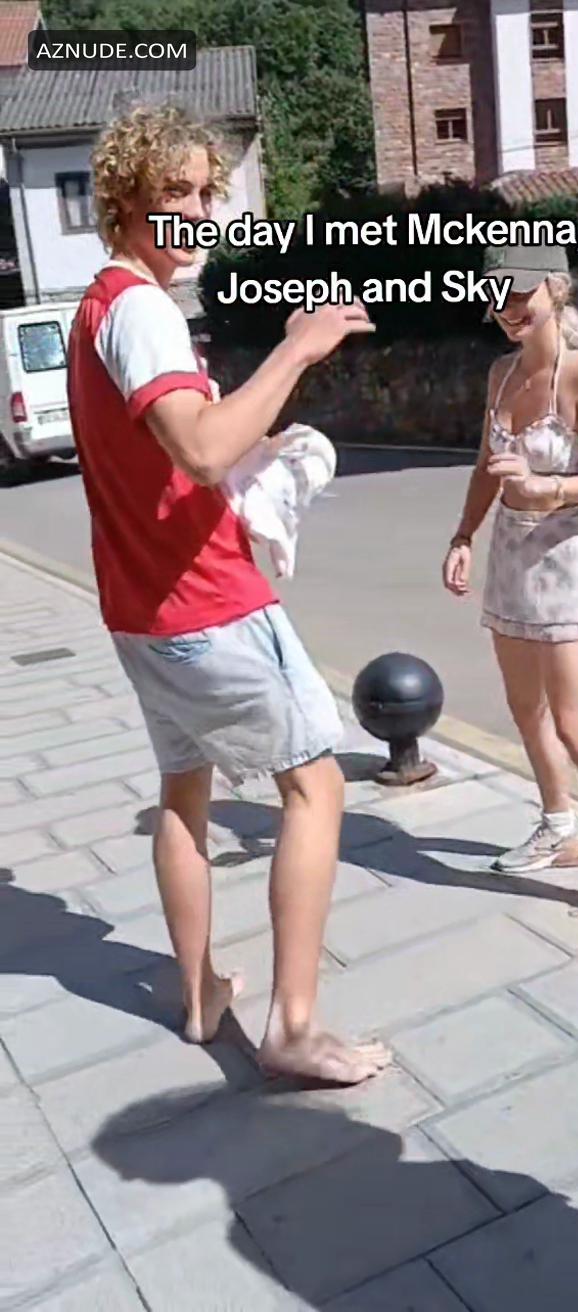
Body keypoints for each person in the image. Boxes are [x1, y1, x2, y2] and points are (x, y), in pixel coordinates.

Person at [67, 101, 391, 1085]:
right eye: (179, 190)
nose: (201, 211)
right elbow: (201, 452)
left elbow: (179, 450)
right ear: (127, 197)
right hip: (208, 606)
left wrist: (269, 438)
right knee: (317, 786)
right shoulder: (142, 311)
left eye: (208, 191)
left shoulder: (99, 307)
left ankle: (202, 994)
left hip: (141, 612)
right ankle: (293, 1028)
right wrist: (299, 350)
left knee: (184, 791)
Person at [443, 243, 578, 939]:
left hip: (568, 563)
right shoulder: (501, 373)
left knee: (577, 726)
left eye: (520, 293)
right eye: (496, 296)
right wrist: (464, 534)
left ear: (557, 290)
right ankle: (560, 828)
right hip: (511, 560)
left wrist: (550, 487)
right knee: (525, 708)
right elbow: (486, 464)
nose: (507, 308)